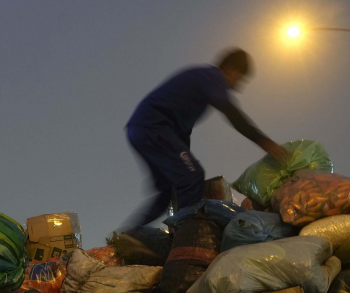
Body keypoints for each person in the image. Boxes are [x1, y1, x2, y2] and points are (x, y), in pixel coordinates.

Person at [122, 48, 290, 229]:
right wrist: (266, 143)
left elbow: (183, 133)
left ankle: (130, 234)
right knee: (192, 176)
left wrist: (185, 157)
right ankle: (186, 237)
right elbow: (233, 115)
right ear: (230, 69)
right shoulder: (211, 76)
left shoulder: (197, 84)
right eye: (238, 78)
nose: (236, 86)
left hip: (141, 129)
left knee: (168, 190)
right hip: (153, 127)